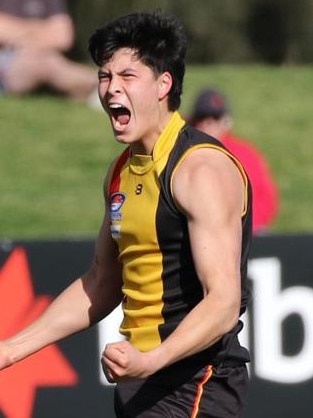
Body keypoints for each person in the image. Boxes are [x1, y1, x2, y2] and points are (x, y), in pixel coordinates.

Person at [0, 11, 252, 418]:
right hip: (141, 382)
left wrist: (153, 359)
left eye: (127, 77)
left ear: (163, 84)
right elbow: (101, 282)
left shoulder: (200, 169)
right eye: (104, 76)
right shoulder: (120, 170)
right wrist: (10, 349)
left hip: (196, 382)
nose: (111, 89)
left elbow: (223, 302)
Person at [189, 88, 279, 234]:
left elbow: (266, 198)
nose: (209, 124)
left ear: (225, 121)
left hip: (244, 229)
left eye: (215, 118)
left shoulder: (245, 154)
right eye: (203, 118)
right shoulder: (183, 150)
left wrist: (243, 226)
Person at [0, 0, 98, 102]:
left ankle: (96, 87)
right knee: (42, 63)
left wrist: (18, 32)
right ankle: (96, 85)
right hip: (7, 62)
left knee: (45, 60)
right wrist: (41, 29)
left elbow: (63, 37)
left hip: (46, 57)